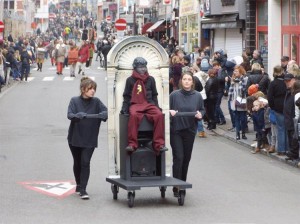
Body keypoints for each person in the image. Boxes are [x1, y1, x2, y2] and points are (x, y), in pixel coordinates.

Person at [67, 77, 108, 200]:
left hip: (90, 138)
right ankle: (78, 184)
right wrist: (76, 116)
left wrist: (103, 114)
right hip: (75, 137)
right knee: (78, 162)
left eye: (94, 89)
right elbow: (69, 114)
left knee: (85, 162)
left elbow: (106, 112)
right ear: (83, 89)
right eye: (90, 89)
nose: (93, 91)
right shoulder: (74, 101)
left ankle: (83, 189)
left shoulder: (96, 102)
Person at [120, 57, 166, 155]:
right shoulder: (130, 80)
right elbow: (126, 96)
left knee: (159, 115)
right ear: (135, 68)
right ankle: (132, 144)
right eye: (140, 67)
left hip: (149, 104)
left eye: (144, 67)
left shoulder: (151, 79)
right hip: (136, 104)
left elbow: (154, 95)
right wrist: (124, 108)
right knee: (133, 116)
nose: (143, 69)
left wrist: (157, 106)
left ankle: (159, 144)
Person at [169, 71, 205, 197]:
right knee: (179, 157)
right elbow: (165, 108)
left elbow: (201, 109)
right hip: (176, 130)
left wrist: (201, 115)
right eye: (185, 79)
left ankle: (182, 184)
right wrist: (170, 112)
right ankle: (176, 184)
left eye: (189, 79)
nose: (187, 81)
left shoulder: (197, 96)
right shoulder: (174, 95)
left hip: (190, 130)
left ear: (192, 82)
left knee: (186, 159)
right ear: (181, 81)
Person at [267, 66, 288, 155]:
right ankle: (287, 149)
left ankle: (281, 149)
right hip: (286, 106)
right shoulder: (285, 82)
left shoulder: (273, 83)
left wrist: (272, 107)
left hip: (277, 107)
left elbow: (269, 97)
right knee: (287, 129)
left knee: (280, 129)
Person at [228, 65, 248, 140]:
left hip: (242, 101)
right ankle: (237, 134)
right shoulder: (233, 79)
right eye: (234, 71)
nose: (234, 72)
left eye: (236, 71)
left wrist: (239, 83)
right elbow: (231, 90)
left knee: (243, 118)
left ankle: (243, 133)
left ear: (240, 72)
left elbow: (245, 90)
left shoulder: (245, 79)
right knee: (236, 118)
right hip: (234, 100)